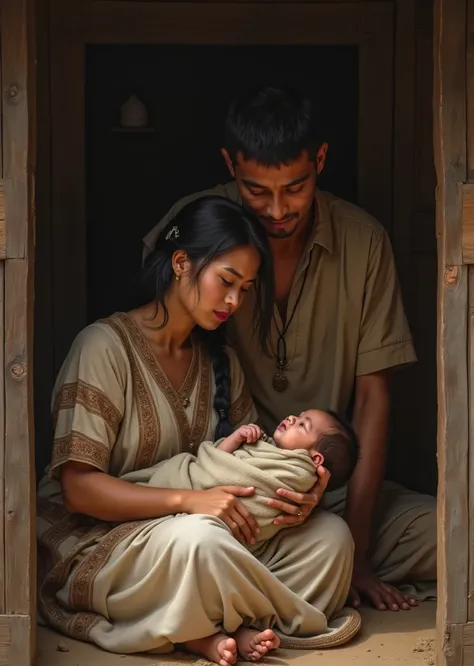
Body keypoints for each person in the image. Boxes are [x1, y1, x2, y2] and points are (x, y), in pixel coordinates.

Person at [143, 85, 437, 612]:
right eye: (256, 191)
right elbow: (161, 346)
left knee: (452, 537)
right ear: (230, 164)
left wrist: (361, 550)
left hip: (332, 492)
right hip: (223, 489)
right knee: (194, 542)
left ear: (321, 159)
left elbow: (372, 401)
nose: (277, 210)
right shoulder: (196, 228)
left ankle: (275, 577)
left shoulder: (363, 241)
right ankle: (280, 579)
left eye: (296, 188)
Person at [37, 195, 361, 666]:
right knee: (198, 542)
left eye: (245, 288)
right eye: (226, 281)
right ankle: (223, 619)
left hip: (208, 534)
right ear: (182, 263)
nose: (234, 301)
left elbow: (258, 459)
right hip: (107, 543)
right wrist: (188, 501)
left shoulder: (221, 361)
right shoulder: (103, 347)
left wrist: (294, 494)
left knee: (332, 538)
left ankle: (201, 621)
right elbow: (78, 489)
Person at [127, 410, 359, 551]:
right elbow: (217, 461)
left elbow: (265, 496)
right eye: (298, 416)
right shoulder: (262, 444)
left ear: (315, 459)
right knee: (198, 539)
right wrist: (237, 438)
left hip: (234, 534)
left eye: (301, 424)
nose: (291, 418)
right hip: (188, 506)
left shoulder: (296, 474)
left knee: (333, 537)